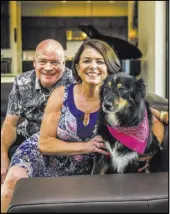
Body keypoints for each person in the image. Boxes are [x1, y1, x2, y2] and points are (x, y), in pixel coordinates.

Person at [1, 39, 168, 213]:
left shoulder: (118, 99)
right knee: (12, 181)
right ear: (77, 66)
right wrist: (86, 146)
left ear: (109, 67)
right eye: (87, 60)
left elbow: (153, 119)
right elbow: (44, 144)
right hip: (45, 156)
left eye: (100, 61)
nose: (92, 66)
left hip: (84, 166)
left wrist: (149, 151)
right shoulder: (61, 94)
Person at [1, 39, 74, 184]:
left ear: (64, 63)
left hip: (62, 141)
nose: (48, 67)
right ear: (34, 62)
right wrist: (2, 156)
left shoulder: (76, 83)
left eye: (55, 62)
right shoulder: (22, 82)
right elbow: (10, 123)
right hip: (29, 136)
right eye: (42, 61)